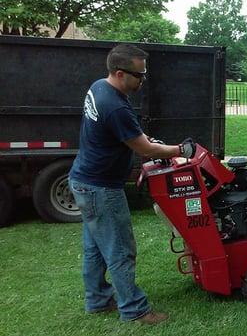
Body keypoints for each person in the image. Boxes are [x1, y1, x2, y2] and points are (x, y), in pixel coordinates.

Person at [68, 44, 196, 325]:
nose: (143, 80)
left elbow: (132, 134)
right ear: (119, 73)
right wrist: (180, 150)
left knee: (95, 248)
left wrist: (150, 141)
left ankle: (98, 300)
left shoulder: (100, 88)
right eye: (139, 75)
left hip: (83, 181)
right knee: (120, 250)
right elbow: (145, 150)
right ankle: (135, 310)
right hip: (101, 189)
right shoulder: (113, 105)